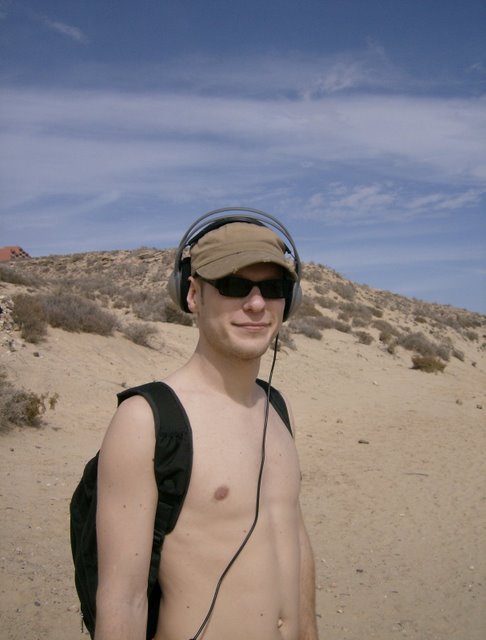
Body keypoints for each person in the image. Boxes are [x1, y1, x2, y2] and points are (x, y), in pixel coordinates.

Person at [94, 210, 319, 640]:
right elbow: (123, 601)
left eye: (273, 288)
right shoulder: (146, 421)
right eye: (233, 285)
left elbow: (293, 537)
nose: (256, 304)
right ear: (193, 294)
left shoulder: (275, 407)